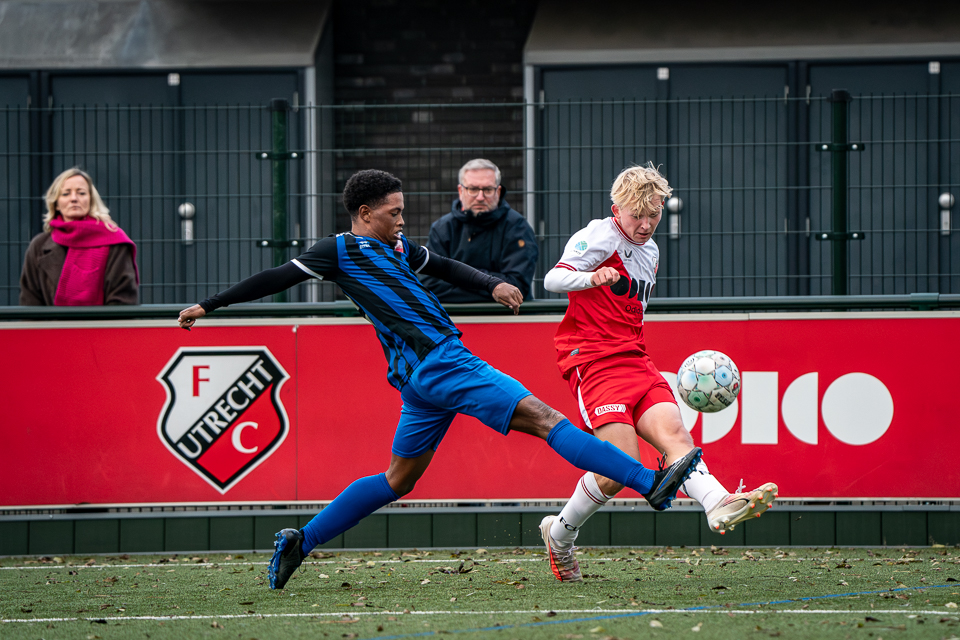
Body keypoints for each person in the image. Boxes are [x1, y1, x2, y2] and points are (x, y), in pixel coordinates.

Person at [177, 169, 703, 590]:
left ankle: (300, 541)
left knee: (397, 480)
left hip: (416, 380)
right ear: (365, 214)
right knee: (546, 420)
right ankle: (648, 483)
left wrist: (494, 285)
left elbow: (446, 266)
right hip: (443, 361)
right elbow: (275, 277)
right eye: (394, 212)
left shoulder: (397, 248)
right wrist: (211, 304)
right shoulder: (338, 251)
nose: (403, 220)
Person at [538, 163, 777, 582]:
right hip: (593, 361)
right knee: (620, 464)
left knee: (676, 438)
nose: (647, 224)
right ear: (617, 208)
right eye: (638, 215)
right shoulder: (600, 233)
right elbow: (553, 279)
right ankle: (559, 534)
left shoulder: (650, 250)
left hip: (635, 358)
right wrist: (592, 276)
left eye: (654, 215)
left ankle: (718, 501)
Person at [419, 158, 538, 302]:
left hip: (507, 319)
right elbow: (429, 285)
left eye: (487, 190)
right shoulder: (442, 228)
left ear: (498, 191)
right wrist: (492, 285)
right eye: (473, 189)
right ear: (460, 191)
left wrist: (455, 277)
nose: (480, 197)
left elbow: (517, 287)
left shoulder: (518, 227)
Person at [20, 168, 139, 306]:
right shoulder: (39, 245)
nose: (74, 199)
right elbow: (30, 299)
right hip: (53, 327)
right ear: (56, 203)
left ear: (91, 199)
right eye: (65, 194)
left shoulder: (114, 241)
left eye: (81, 193)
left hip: (102, 326)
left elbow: (122, 299)